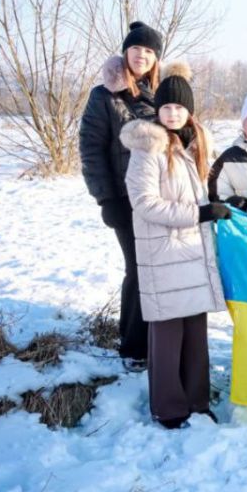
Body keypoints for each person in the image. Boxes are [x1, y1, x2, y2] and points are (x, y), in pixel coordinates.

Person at [119, 62, 227, 429]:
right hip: (164, 253)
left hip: (192, 253)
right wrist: (198, 215)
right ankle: (168, 408)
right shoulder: (148, 148)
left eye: (180, 108)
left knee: (195, 335)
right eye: (166, 107)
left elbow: (201, 195)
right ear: (158, 110)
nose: (173, 113)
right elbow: (145, 203)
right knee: (167, 336)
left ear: (189, 112)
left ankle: (197, 402)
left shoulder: (190, 147)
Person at [80, 21, 164, 371]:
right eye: (136, 49)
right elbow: (91, 149)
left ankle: (160, 338)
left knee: (158, 268)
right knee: (137, 268)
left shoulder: (163, 94)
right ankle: (133, 347)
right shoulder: (105, 95)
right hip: (126, 201)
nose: (141, 55)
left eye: (148, 51)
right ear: (125, 53)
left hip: (161, 199)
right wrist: (107, 200)